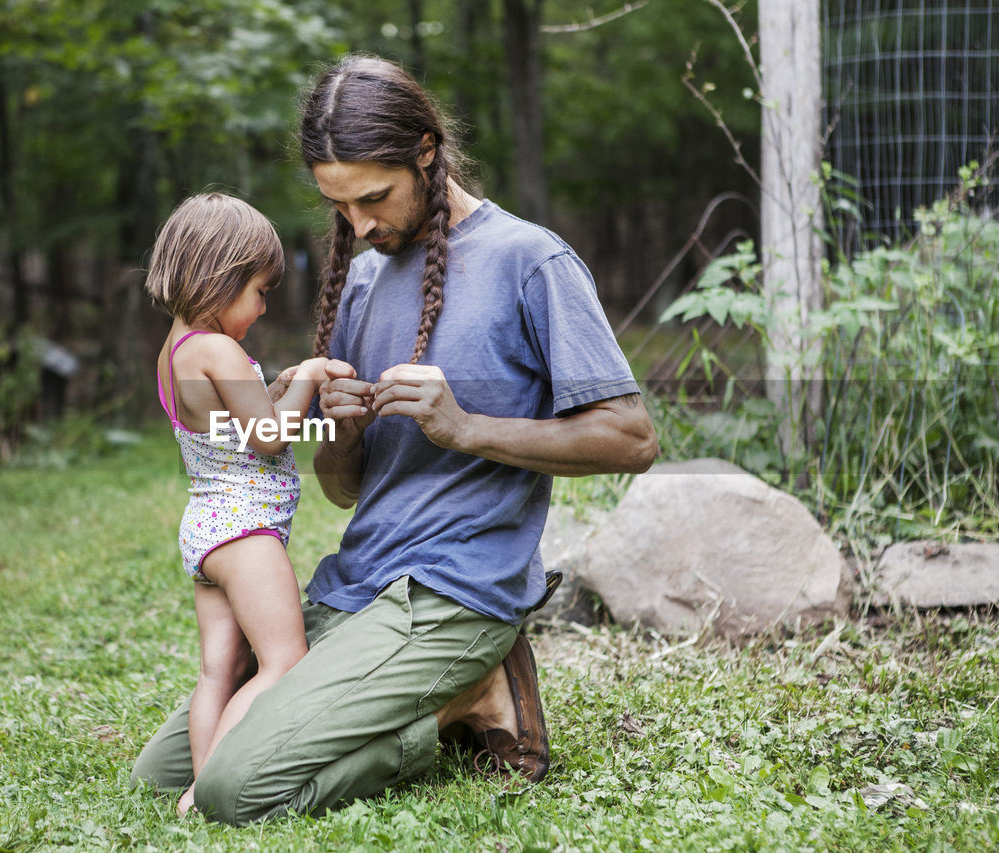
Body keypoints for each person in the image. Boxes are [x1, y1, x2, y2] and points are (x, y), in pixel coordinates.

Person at [132, 55, 658, 825]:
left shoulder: (529, 260)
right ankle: (434, 695)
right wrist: (344, 431)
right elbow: (342, 486)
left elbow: (632, 437)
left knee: (229, 789)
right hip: (357, 586)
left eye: (372, 198)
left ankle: (468, 695)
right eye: (338, 207)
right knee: (162, 769)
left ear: (425, 149)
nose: (359, 226)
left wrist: (465, 426)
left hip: (454, 594)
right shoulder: (366, 277)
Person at [145, 192, 332, 816]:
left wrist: (275, 389)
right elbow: (269, 435)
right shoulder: (219, 350)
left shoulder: (178, 350)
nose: (263, 305)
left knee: (217, 672)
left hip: (206, 529)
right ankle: (210, 788)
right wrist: (308, 375)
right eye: (258, 290)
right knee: (284, 659)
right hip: (244, 530)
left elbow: (234, 424)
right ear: (218, 280)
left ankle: (200, 784)